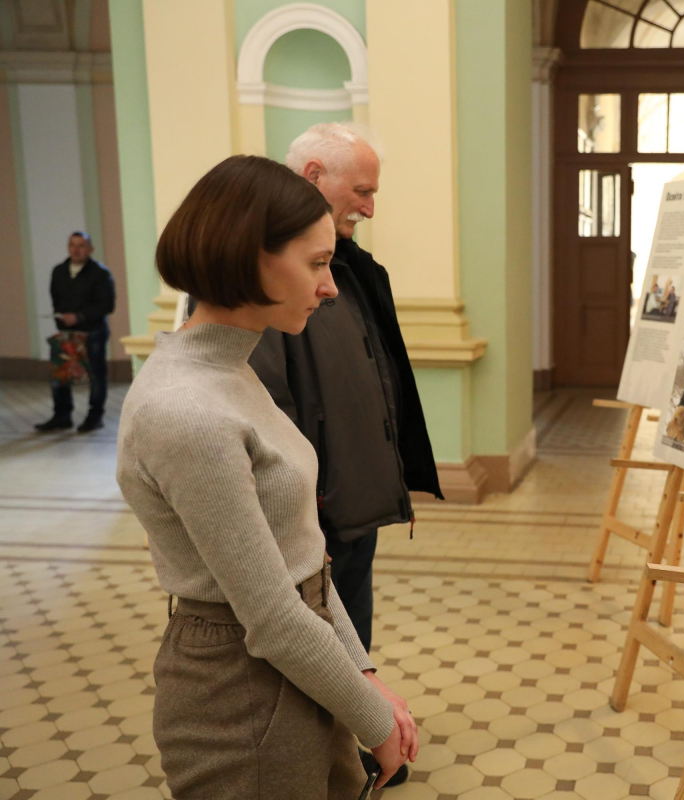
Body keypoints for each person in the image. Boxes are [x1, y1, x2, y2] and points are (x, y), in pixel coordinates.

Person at [116, 155, 418, 798]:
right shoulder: (187, 407)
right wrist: (374, 722)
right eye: (315, 264)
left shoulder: (230, 370)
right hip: (242, 699)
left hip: (296, 670)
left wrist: (362, 673)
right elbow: (273, 616)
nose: (332, 286)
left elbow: (302, 559)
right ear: (251, 259)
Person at [247, 123, 441, 787]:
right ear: (311, 177)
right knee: (313, 641)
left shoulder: (351, 267)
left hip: (353, 503)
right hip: (312, 509)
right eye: (361, 190)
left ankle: (350, 744)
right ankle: (318, 758)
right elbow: (272, 408)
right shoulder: (264, 269)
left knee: (351, 630)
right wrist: (306, 500)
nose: (370, 206)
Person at [35, 232, 116, 433]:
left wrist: (79, 317)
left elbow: (106, 305)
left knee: (96, 375)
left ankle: (94, 416)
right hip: (66, 333)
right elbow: (55, 298)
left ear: (90, 249)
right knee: (60, 374)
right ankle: (62, 416)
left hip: (93, 332)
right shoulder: (59, 271)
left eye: (81, 245)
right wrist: (62, 318)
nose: (76, 249)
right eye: (72, 245)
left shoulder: (100, 273)